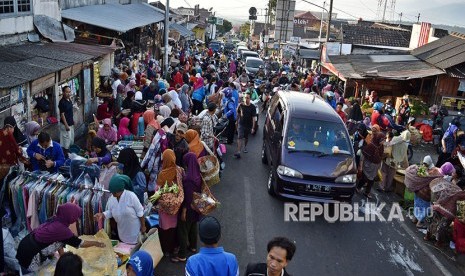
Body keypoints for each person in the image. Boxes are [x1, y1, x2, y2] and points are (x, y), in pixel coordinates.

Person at [16, 203, 104, 272]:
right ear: (71, 216)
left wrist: (62, 257)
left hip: (24, 246)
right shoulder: (62, 229)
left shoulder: (55, 219)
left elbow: (59, 240)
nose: (77, 219)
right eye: (76, 217)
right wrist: (96, 243)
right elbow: (80, 243)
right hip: (30, 256)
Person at [94, 174, 145, 244]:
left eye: (115, 192)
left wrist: (143, 226)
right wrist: (102, 215)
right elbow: (111, 211)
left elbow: (140, 212)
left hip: (135, 233)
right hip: (122, 234)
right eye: (112, 192)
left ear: (121, 189)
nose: (113, 194)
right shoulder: (112, 199)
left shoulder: (131, 196)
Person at [174, 152, 202, 262]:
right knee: (193, 226)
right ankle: (193, 246)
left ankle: (182, 255)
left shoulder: (189, 178)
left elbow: (188, 196)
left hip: (189, 207)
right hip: (196, 206)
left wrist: (184, 210)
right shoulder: (197, 174)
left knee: (183, 230)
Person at [157, 150, 182, 261]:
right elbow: (182, 186)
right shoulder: (179, 170)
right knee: (174, 227)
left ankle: (166, 250)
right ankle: (174, 248)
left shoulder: (162, 173)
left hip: (164, 207)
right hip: (175, 205)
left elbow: (157, 190)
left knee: (164, 228)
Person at [356, 132, 385, 198]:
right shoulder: (371, 145)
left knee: (372, 180)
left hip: (375, 166)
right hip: (368, 165)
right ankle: (358, 188)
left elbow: (381, 155)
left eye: (384, 140)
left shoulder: (381, 146)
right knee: (365, 178)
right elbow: (363, 154)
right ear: (378, 139)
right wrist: (360, 165)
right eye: (382, 140)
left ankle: (367, 192)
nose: (383, 141)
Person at [235, 93, 256, 158]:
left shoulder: (252, 107)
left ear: (250, 99)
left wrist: (253, 127)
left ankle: (245, 146)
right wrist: (236, 121)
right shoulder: (241, 105)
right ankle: (238, 152)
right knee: (239, 137)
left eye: (248, 98)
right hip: (241, 124)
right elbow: (238, 114)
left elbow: (253, 118)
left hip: (248, 125)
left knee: (246, 137)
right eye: (245, 97)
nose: (246, 99)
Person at [59, 86, 74, 157]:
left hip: (70, 123)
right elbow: (62, 115)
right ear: (63, 93)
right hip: (65, 125)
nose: (68, 93)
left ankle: (67, 154)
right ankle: (65, 156)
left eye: (69, 92)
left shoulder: (69, 100)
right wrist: (66, 125)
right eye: (66, 92)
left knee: (70, 140)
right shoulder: (62, 102)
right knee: (66, 142)